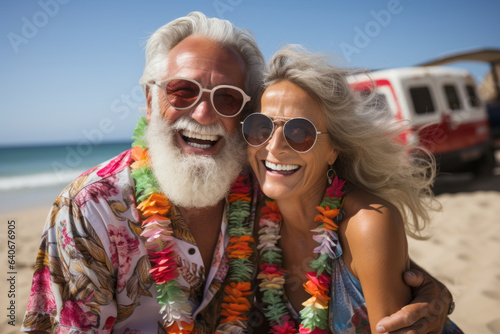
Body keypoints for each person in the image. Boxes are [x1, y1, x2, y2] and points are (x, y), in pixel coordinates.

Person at [21, 11, 454, 334]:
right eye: (183, 91)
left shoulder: (261, 187)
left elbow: (351, 253)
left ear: (244, 115)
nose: (204, 113)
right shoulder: (89, 209)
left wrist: (428, 292)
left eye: (227, 99)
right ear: (150, 101)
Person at [243, 45, 463, 333]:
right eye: (261, 127)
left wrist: (442, 300)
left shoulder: (368, 223)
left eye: (299, 132)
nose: (273, 146)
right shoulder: (250, 219)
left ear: (333, 148)